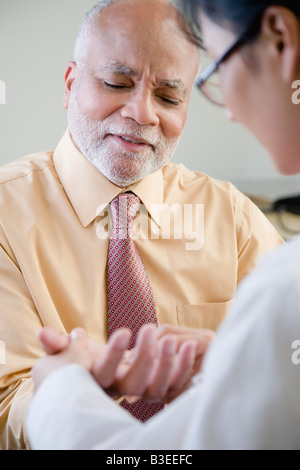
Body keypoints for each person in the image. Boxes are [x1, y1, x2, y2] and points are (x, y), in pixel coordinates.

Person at [0, 0, 282, 450]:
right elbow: (5, 405)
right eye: (116, 83)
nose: (143, 113)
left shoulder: (234, 217)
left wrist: (225, 365)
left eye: (169, 97)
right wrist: (78, 392)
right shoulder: (4, 216)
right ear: (71, 84)